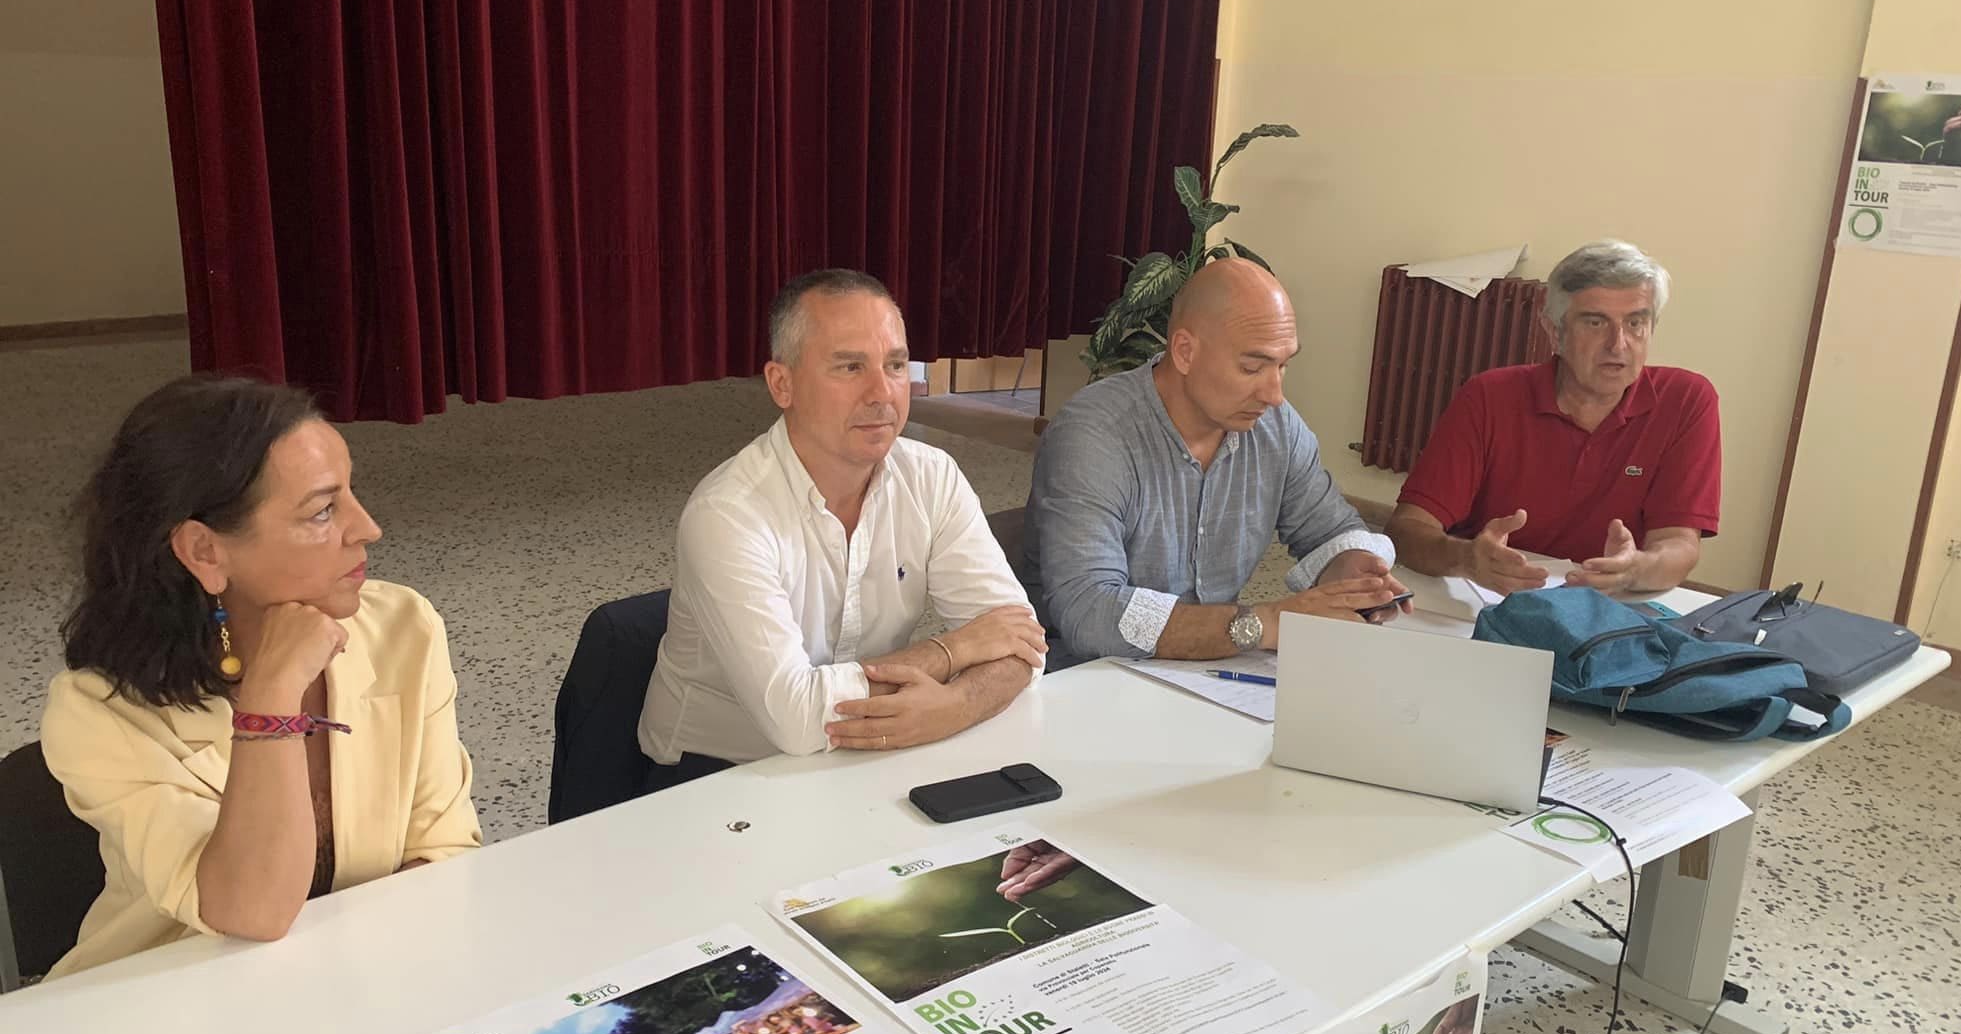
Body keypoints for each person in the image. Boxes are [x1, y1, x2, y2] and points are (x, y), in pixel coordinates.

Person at [41, 376, 481, 978]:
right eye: (322, 511)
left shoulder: (403, 627)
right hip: (166, 1002)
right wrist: (271, 697)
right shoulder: (96, 712)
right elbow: (251, 909)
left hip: (361, 990)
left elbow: (446, 853)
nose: (367, 528)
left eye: (351, 494)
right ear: (204, 551)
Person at [639, 268, 1044, 771]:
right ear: (782, 384)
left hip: (868, 749)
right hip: (719, 770)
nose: (882, 393)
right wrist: (950, 652)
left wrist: (956, 706)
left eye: (895, 365)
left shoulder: (932, 476)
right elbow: (796, 719)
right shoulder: (727, 513)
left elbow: (1024, 645)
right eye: (851, 367)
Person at [1020, 258, 1405, 669]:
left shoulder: (1275, 425)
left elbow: (1330, 529)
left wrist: (1352, 570)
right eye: (1252, 367)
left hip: (1211, 669)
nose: (1274, 394)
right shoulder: (1094, 435)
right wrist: (1265, 623)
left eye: (1283, 365)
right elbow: (1089, 611)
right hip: (1088, 676)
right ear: (1185, 352)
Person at [1386, 240, 1721, 595]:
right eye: (1595, 322)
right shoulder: (1489, 396)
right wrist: (1466, 558)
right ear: (1553, 331)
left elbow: (1679, 544)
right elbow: (1407, 530)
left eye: (1636, 322)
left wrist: (1636, 569)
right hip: (1488, 596)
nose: (1618, 344)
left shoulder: (1686, 400)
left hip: (1608, 602)